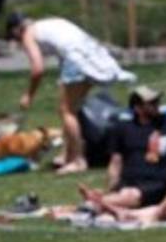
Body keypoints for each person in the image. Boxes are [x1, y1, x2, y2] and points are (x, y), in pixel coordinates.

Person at [8, 13, 137, 176]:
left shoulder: (28, 34)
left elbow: (37, 69)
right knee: (72, 108)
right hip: (91, 53)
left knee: (67, 111)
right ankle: (67, 155)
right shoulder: (46, 23)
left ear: (16, 31)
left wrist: (28, 95)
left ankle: (77, 160)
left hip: (77, 59)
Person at [75, 85, 166, 215]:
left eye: (157, 101)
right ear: (137, 108)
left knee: (131, 195)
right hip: (127, 183)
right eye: (151, 103)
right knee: (126, 193)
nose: (157, 105)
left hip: (155, 185)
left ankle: (95, 202)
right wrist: (110, 188)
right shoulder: (122, 129)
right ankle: (99, 202)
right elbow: (116, 163)